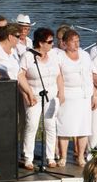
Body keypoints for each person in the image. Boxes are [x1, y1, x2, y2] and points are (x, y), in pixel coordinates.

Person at [17, 27, 64, 170]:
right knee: (32, 125)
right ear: (40, 43)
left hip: (52, 95)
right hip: (35, 96)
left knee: (51, 126)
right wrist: (28, 94)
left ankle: (50, 157)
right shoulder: (28, 56)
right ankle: (28, 158)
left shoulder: (54, 55)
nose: (52, 44)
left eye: (52, 41)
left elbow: (58, 75)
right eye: (49, 42)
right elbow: (20, 76)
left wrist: (61, 92)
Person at [56, 29, 95, 167]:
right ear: (65, 43)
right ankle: (63, 156)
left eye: (78, 41)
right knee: (65, 126)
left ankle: (80, 157)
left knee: (83, 127)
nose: (76, 44)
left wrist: (93, 95)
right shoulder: (59, 56)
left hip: (83, 95)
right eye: (73, 41)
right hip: (67, 95)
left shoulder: (85, 55)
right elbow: (58, 75)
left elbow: (90, 75)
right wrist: (60, 93)